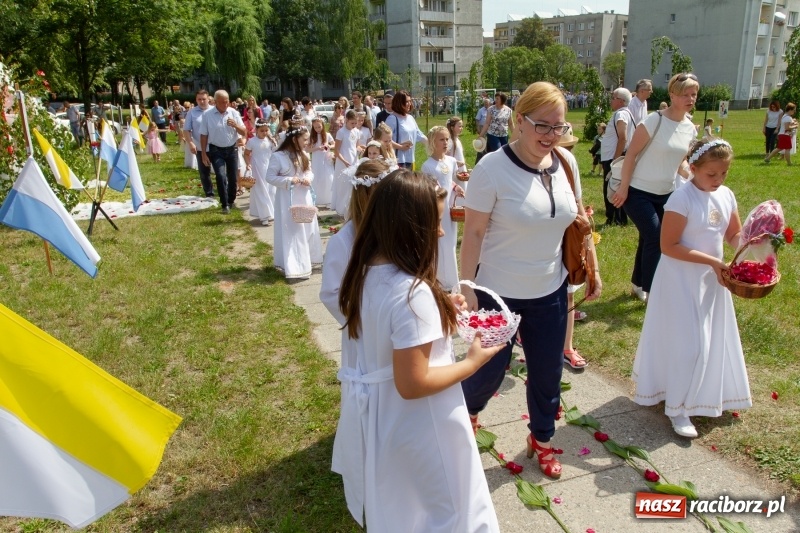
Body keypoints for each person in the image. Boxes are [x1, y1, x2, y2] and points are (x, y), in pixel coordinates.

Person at [333, 169, 501, 532]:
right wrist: (473, 362)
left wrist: (441, 306)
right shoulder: (412, 294)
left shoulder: (365, 273)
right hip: (424, 421)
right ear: (409, 227)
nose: (441, 232)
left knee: (403, 505)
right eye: (434, 223)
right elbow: (413, 382)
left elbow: (391, 334)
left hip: (385, 418)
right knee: (450, 507)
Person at [459, 82, 601, 480]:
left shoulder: (566, 164)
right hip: (498, 295)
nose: (551, 136)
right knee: (487, 371)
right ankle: (465, 419)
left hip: (549, 291)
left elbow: (578, 223)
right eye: (543, 126)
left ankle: (541, 439)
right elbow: (472, 234)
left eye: (559, 127)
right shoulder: (491, 168)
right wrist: (467, 286)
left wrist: (591, 269)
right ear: (519, 121)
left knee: (546, 375)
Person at [632, 138, 751, 438]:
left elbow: (733, 233)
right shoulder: (681, 199)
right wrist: (713, 261)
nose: (719, 180)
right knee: (688, 344)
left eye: (724, 173)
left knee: (710, 339)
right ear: (693, 168)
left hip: (712, 280)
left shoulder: (726, 195)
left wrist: (748, 248)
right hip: (680, 280)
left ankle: (707, 395)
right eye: (712, 174)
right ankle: (678, 408)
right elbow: (668, 246)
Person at [612, 73, 699, 303]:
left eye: (694, 94)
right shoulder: (654, 120)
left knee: (647, 238)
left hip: (666, 194)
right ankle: (652, 292)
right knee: (656, 238)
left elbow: (679, 160)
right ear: (672, 95)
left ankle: (637, 284)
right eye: (685, 94)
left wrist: (692, 176)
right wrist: (623, 188)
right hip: (638, 192)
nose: (690, 98)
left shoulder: (690, 128)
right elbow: (630, 154)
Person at [320, 158, 393, 326]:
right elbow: (331, 293)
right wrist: (367, 318)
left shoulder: (390, 229)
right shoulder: (343, 241)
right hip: (365, 328)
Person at [264, 123, 323, 280]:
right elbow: (269, 177)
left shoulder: (303, 153)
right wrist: (290, 180)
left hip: (304, 196)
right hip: (287, 199)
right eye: (304, 139)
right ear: (294, 139)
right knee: (293, 230)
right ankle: (295, 265)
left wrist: (308, 178)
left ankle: (310, 259)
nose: (307, 142)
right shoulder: (278, 156)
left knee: (308, 228)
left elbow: (309, 171)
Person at [421, 125, 464, 291]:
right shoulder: (428, 165)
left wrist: (455, 187)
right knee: (440, 243)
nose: (446, 142)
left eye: (447, 139)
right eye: (441, 139)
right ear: (433, 142)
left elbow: (449, 181)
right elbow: (430, 186)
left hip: (449, 207)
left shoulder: (451, 161)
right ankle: (439, 277)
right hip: (438, 208)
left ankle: (452, 280)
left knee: (451, 242)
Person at [199, 89, 247, 214]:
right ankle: (224, 203)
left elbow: (244, 132)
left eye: (227, 102)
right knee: (220, 175)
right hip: (216, 149)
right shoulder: (207, 115)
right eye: (222, 102)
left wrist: (236, 125)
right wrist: (204, 153)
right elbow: (203, 135)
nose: (225, 105)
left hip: (232, 148)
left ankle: (231, 200)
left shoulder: (234, 113)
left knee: (232, 177)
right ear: (215, 102)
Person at [600, 87, 635, 226]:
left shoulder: (621, 115)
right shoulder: (626, 114)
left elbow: (623, 137)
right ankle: (619, 219)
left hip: (614, 157)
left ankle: (614, 219)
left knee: (611, 188)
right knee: (618, 186)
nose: (611, 101)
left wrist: (615, 159)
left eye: (613, 98)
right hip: (618, 156)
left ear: (620, 101)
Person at [245, 118, 277, 226]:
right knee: (261, 191)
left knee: (271, 190)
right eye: (262, 131)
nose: (264, 133)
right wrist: (248, 163)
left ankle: (271, 212)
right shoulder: (252, 141)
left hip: (269, 167)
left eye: (266, 130)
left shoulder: (270, 141)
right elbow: (246, 153)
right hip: (257, 168)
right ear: (256, 130)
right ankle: (264, 216)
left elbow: (274, 154)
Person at [183, 90, 215, 198]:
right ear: (196, 100)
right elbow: (186, 130)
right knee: (204, 173)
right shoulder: (191, 112)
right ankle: (209, 193)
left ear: (208, 99)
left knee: (220, 171)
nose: (201, 101)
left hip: (216, 146)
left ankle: (224, 191)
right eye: (199, 99)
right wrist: (190, 143)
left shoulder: (214, 110)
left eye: (204, 99)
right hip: (200, 147)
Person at [385, 90, 426, 169]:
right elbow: (384, 139)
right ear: (399, 103)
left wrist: (434, 144)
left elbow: (419, 135)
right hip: (398, 161)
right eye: (406, 102)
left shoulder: (410, 118)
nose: (409, 104)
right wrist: (400, 147)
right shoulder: (392, 119)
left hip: (410, 159)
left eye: (410, 101)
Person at [332, 110, 360, 216]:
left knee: (352, 186)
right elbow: (336, 150)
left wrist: (361, 148)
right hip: (343, 162)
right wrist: (344, 161)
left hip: (353, 161)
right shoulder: (341, 132)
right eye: (352, 123)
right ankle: (341, 210)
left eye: (355, 123)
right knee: (343, 186)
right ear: (346, 120)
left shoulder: (356, 131)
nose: (354, 125)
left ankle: (350, 209)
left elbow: (356, 145)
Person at [309, 117, 335, 207]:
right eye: (315, 127)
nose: (317, 129)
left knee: (328, 177)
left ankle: (329, 199)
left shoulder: (327, 135)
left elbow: (334, 144)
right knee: (318, 177)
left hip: (326, 158)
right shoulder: (312, 137)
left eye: (319, 127)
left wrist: (329, 146)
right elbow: (307, 149)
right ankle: (318, 198)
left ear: (323, 126)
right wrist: (317, 148)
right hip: (317, 159)